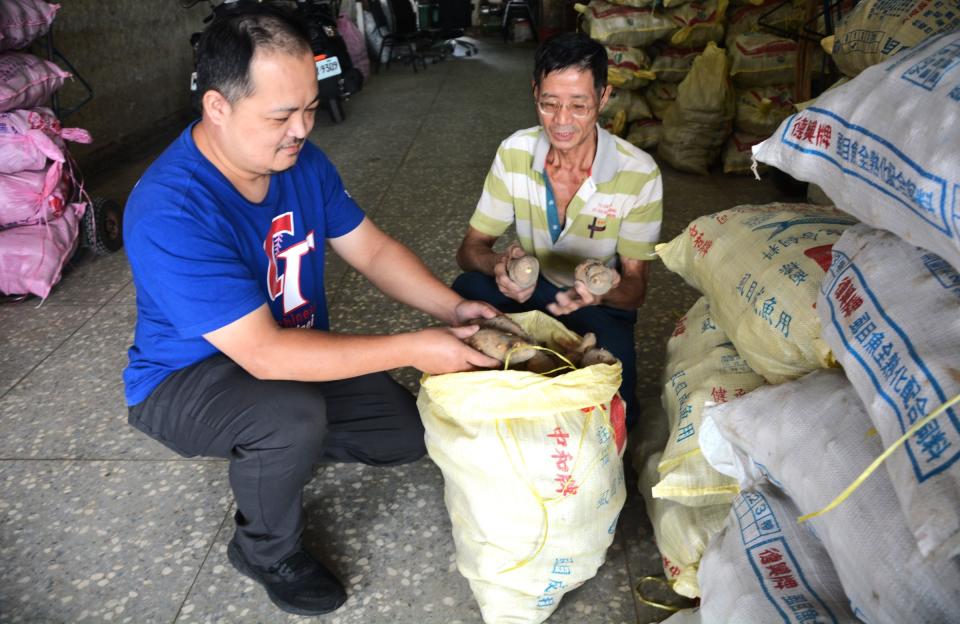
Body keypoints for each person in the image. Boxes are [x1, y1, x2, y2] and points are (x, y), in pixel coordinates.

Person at [121, 7, 499, 617]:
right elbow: (265, 354)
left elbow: (371, 250)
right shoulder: (173, 210)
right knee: (288, 414)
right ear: (217, 106)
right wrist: (413, 346)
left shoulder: (300, 163)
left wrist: (455, 306)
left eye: (310, 108)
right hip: (183, 379)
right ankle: (263, 548)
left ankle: (278, 445)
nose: (301, 128)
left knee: (405, 432)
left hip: (282, 356)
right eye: (280, 115)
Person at [453, 32, 663, 432]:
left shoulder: (639, 173)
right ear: (535, 92)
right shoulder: (515, 152)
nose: (562, 122)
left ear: (603, 98)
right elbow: (469, 250)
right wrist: (500, 266)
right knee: (464, 290)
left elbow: (635, 291)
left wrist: (603, 289)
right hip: (533, 293)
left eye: (579, 105)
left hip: (597, 305)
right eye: (549, 104)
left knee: (616, 408)